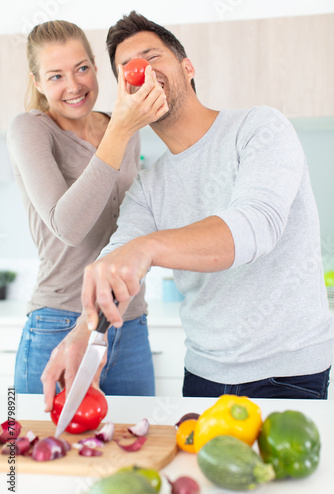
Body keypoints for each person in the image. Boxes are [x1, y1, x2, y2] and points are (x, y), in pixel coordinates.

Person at [42, 11, 333, 407]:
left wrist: (147, 248)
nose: (138, 70)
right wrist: (82, 334)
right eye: (125, 68)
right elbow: (119, 255)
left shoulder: (260, 128)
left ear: (187, 66)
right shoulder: (149, 184)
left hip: (289, 374)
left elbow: (256, 226)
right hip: (203, 376)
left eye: (151, 56)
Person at [7, 19, 168, 396]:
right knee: (38, 450)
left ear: (97, 68)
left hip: (129, 323)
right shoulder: (31, 130)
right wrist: (121, 130)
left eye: (81, 68)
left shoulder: (123, 128)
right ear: (37, 83)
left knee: (136, 448)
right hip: (58, 322)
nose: (74, 85)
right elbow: (69, 226)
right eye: (56, 76)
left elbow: (135, 218)